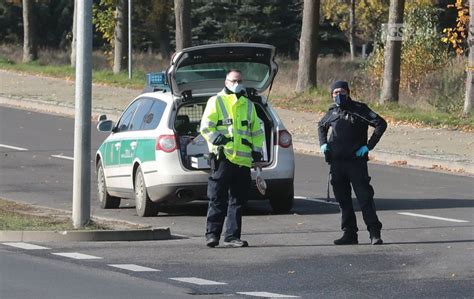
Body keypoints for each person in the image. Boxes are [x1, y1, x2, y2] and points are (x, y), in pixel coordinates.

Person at [200, 69, 264, 248]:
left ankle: (232, 236)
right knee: (217, 198)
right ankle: (212, 235)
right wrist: (216, 139)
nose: (237, 84)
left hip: (242, 161)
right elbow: (205, 127)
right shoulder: (216, 101)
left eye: (240, 81)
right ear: (226, 82)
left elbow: (257, 132)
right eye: (234, 81)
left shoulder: (248, 105)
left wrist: (257, 153)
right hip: (223, 158)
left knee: (238, 200)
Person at [318, 80, 387, 245]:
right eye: (335, 93)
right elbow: (321, 126)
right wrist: (323, 144)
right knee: (343, 200)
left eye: (341, 91)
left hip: (356, 162)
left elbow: (380, 124)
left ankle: (374, 233)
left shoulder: (359, 109)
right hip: (337, 163)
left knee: (364, 198)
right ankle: (349, 233)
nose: (338, 95)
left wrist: (368, 146)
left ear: (348, 92)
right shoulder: (332, 112)